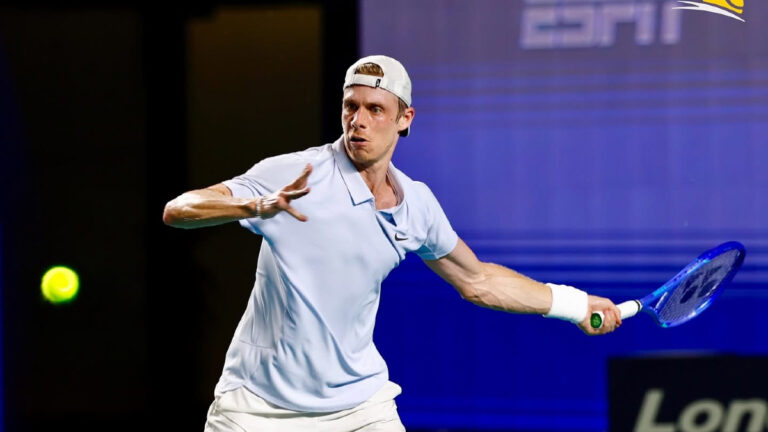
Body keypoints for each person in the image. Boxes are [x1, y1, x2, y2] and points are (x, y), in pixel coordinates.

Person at [163, 55, 622, 432]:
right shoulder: (296, 174)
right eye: (351, 107)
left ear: (405, 119)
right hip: (258, 409)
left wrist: (576, 305)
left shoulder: (416, 203)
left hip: (360, 407)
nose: (358, 122)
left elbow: (477, 279)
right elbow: (179, 209)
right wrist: (252, 206)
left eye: (375, 110)